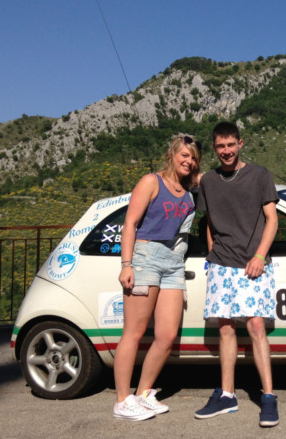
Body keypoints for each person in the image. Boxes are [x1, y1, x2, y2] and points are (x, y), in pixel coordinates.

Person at [194, 121, 280, 427]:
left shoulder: (259, 175)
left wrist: (259, 256)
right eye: (220, 146)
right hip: (221, 265)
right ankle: (227, 395)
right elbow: (207, 222)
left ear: (240, 144)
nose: (226, 151)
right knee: (226, 329)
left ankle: (268, 397)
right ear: (215, 148)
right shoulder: (208, 182)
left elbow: (272, 220)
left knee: (257, 327)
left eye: (231, 145)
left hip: (254, 264)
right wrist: (212, 255)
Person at [113, 134, 201, 421]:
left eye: (194, 158)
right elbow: (130, 223)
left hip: (174, 263)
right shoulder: (152, 182)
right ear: (172, 154)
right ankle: (122, 400)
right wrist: (127, 264)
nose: (189, 161)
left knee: (166, 335)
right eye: (184, 156)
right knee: (134, 333)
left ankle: (143, 393)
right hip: (145, 256)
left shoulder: (188, 192)